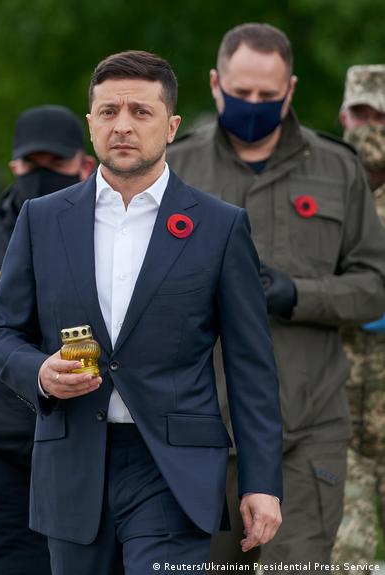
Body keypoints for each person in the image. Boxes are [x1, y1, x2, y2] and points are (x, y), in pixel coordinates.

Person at [0, 50, 283, 575]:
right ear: (91, 124)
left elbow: (250, 365)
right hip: (73, 462)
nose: (122, 125)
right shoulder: (41, 219)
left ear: (172, 126)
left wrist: (261, 483)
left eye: (140, 112)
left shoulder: (220, 226)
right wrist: (41, 374)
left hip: (172, 469)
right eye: (108, 111)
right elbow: (1, 333)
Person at [167, 24, 385, 568]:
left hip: (305, 433)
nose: (253, 104)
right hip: (196, 433)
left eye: (267, 94)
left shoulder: (337, 168)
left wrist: (298, 294)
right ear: (215, 84)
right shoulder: (174, 169)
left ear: (290, 89)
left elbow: (374, 286)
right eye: (241, 92)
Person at [0, 105, 95, 575]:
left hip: (84, 438)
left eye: (55, 163)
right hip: (4, 443)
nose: (41, 174)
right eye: (32, 163)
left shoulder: (105, 231)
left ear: (84, 164)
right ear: (14, 164)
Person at [332, 64, 385, 565]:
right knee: (343, 557)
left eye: (383, 117)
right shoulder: (325, 193)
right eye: (362, 114)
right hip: (336, 415)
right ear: (343, 117)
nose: (372, 127)